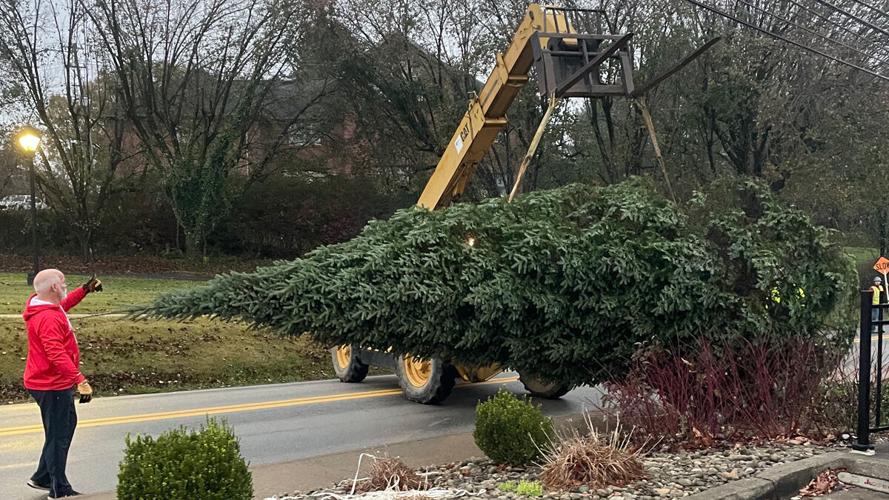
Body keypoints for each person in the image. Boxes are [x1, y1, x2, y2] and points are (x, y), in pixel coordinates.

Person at [22, 269, 102, 499]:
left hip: (48, 381)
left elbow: (64, 305)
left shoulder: (47, 306)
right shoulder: (47, 318)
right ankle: (60, 489)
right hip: (50, 384)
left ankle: (42, 477)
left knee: (62, 428)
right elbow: (55, 354)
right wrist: (80, 380)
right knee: (59, 434)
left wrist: (84, 290)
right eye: (63, 281)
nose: (65, 284)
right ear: (54, 288)